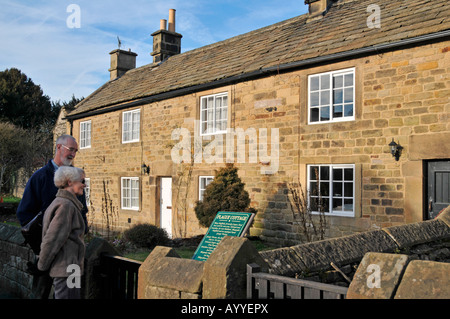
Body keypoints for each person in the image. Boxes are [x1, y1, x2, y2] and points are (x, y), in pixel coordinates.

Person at [16, 134, 88, 299]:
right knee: (42, 293)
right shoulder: (40, 177)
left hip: (70, 262)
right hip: (52, 257)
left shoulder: (75, 180)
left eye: (76, 151)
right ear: (58, 147)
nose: (73, 154)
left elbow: (82, 213)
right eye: (71, 149)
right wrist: (42, 248)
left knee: (70, 294)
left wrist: (81, 231)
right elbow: (24, 215)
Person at [37, 166, 86, 299]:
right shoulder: (66, 206)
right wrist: (42, 266)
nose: (84, 184)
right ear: (70, 182)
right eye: (82, 181)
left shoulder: (62, 203)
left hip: (70, 269)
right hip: (68, 270)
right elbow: (52, 239)